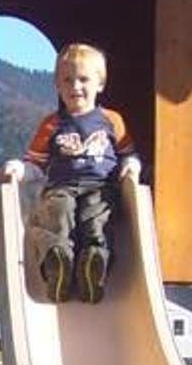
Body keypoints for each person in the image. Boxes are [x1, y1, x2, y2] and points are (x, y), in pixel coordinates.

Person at [22, 42, 137, 303]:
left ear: (100, 84)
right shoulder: (52, 124)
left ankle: (92, 267)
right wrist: (20, 169)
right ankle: (57, 264)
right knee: (58, 213)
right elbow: (35, 163)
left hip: (101, 187)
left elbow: (128, 153)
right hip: (61, 187)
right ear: (58, 86)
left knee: (96, 218)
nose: (75, 86)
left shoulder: (112, 120)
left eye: (83, 79)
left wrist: (131, 166)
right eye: (67, 80)